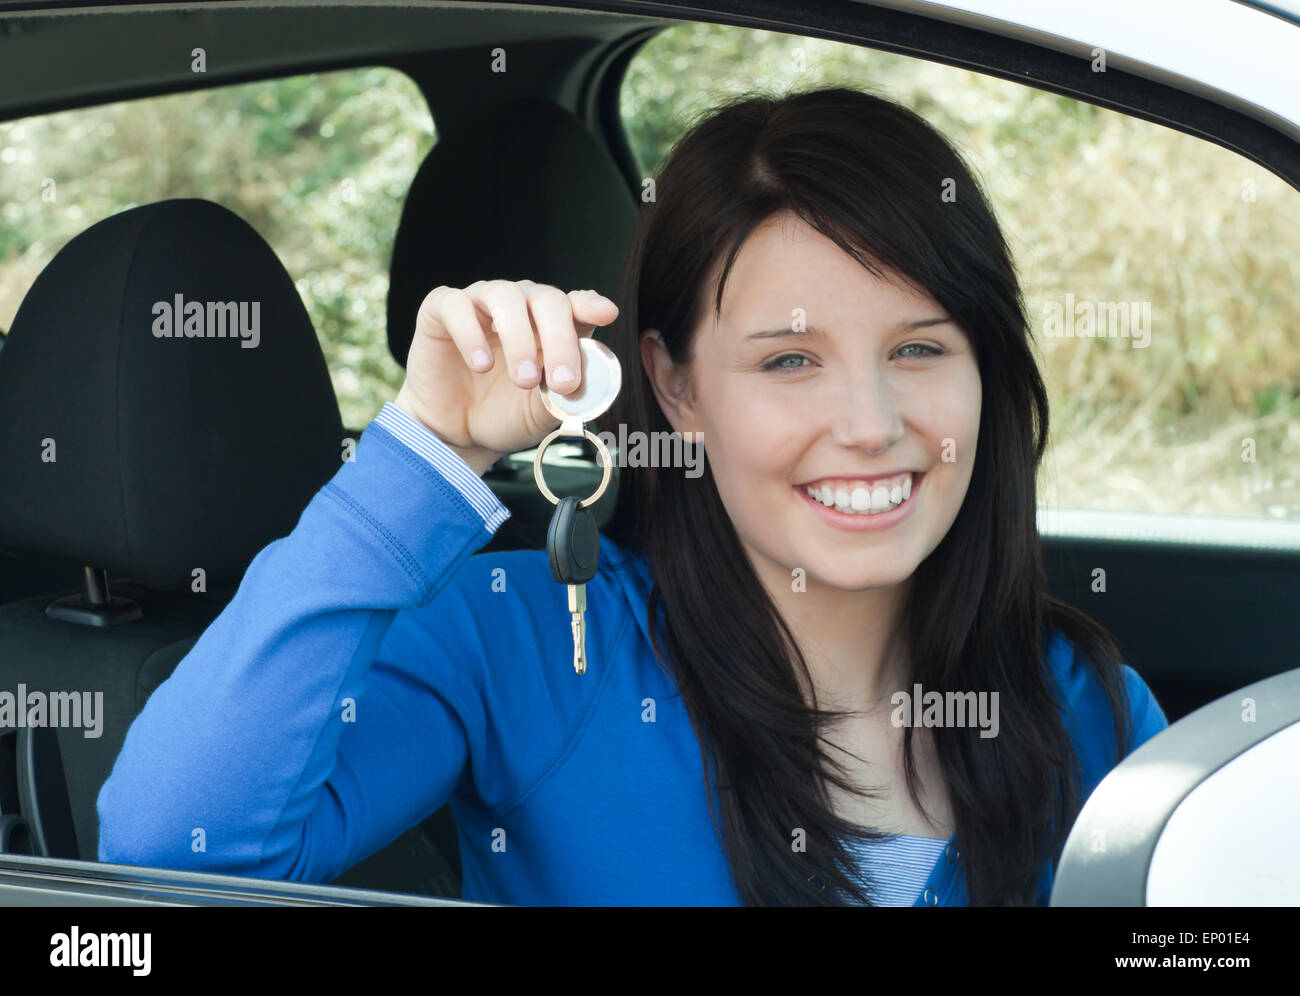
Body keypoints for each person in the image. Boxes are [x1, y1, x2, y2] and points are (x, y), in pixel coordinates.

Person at [97, 85, 1168, 906]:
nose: (872, 424)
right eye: (788, 362)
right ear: (674, 384)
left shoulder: (1080, 702)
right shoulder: (528, 640)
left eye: (921, 348)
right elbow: (172, 842)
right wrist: (424, 451)